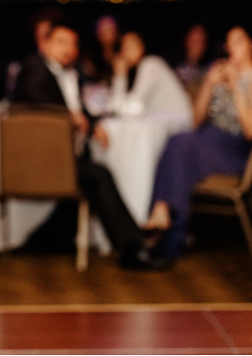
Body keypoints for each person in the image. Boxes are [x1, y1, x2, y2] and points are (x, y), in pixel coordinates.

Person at [12, 25, 166, 270]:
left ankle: (43, 240)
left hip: (59, 157)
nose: (68, 50)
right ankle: (132, 246)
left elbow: (79, 109)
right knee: (99, 175)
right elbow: (37, 100)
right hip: (39, 161)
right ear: (45, 43)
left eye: (73, 44)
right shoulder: (35, 69)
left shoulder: (71, 74)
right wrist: (70, 116)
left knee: (88, 180)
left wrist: (92, 124)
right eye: (61, 42)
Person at [146, 28, 252, 258]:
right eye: (228, 43)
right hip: (206, 141)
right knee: (179, 142)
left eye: (238, 42)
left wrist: (236, 86)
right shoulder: (218, 75)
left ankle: (166, 219)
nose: (231, 48)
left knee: (181, 145)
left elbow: (251, 131)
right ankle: (170, 222)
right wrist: (208, 83)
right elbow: (195, 122)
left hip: (235, 150)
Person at [110, 32, 192, 117]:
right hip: (162, 120)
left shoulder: (150, 64)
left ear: (142, 46)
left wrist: (120, 77)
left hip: (177, 121)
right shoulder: (136, 72)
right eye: (123, 47)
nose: (126, 51)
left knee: (108, 126)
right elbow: (117, 109)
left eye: (130, 46)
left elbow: (131, 110)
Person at [175, 25, 210, 100]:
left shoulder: (208, 71)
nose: (196, 44)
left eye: (200, 41)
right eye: (193, 39)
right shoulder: (171, 67)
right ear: (186, 40)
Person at [81, 15, 120, 84]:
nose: (108, 37)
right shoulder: (90, 55)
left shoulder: (121, 52)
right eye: (104, 33)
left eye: (111, 32)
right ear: (98, 35)